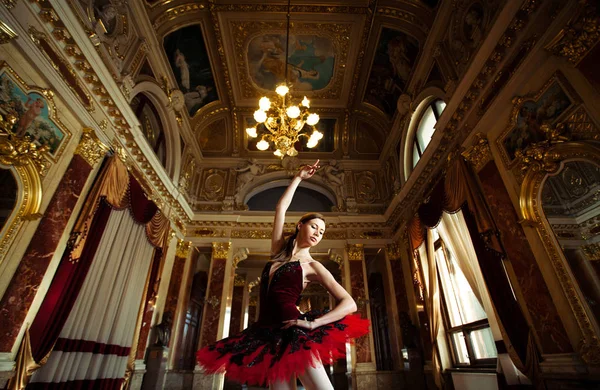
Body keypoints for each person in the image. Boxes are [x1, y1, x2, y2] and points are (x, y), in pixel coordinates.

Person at [197, 160, 370, 389]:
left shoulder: (313, 266)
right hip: (267, 334)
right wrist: (298, 178)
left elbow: (350, 304)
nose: (318, 233)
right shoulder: (278, 251)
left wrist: (313, 324)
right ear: (300, 225)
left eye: (322, 232)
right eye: (314, 227)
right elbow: (280, 209)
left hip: (294, 333)